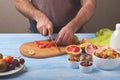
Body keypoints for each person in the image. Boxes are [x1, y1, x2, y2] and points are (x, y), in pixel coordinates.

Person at [14, 0, 96, 46]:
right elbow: (19, 1)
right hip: (37, 34)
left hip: (74, 36)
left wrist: (72, 27)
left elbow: (90, 4)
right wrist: (39, 16)